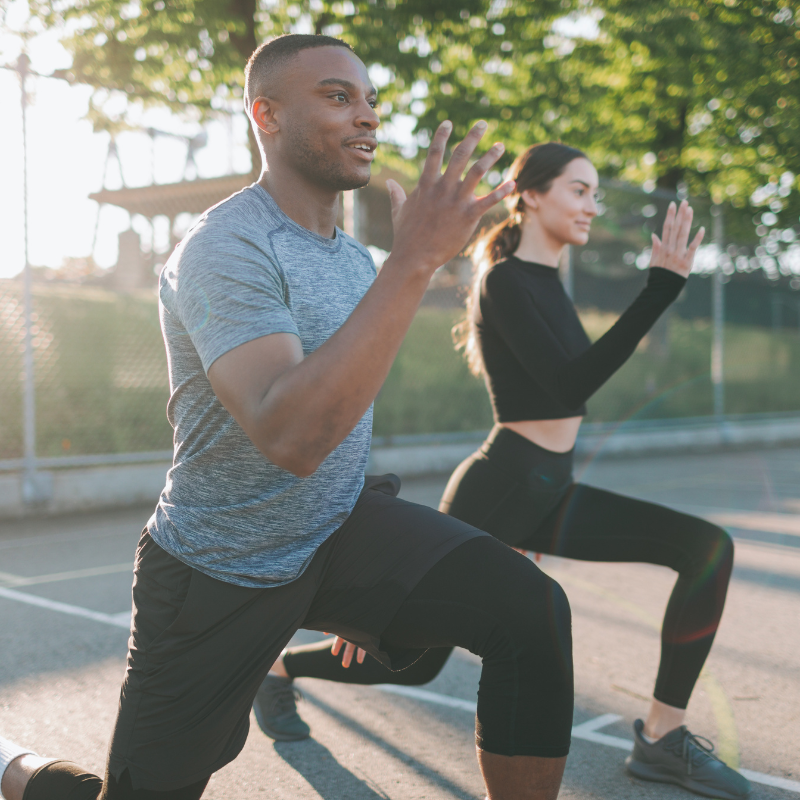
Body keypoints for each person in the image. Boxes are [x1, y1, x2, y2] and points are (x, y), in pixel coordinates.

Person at [0, 36, 579, 800]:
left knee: (529, 610)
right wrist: (414, 263)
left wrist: (370, 572)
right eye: (339, 97)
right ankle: (22, 773)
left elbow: (344, 412)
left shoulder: (350, 259)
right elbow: (291, 436)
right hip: (219, 568)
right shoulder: (224, 247)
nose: (366, 115)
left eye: (370, 100)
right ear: (265, 115)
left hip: (336, 533)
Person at [256, 143, 752, 800]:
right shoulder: (505, 281)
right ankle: (280, 670)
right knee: (412, 662)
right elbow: (569, 384)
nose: (591, 206)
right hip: (501, 489)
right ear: (533, 194)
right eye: (579, 189)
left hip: (553, 489)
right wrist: (659, 289)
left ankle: (661, 738)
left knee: (707, 549)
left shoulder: (548, 284)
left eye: (595, 192)